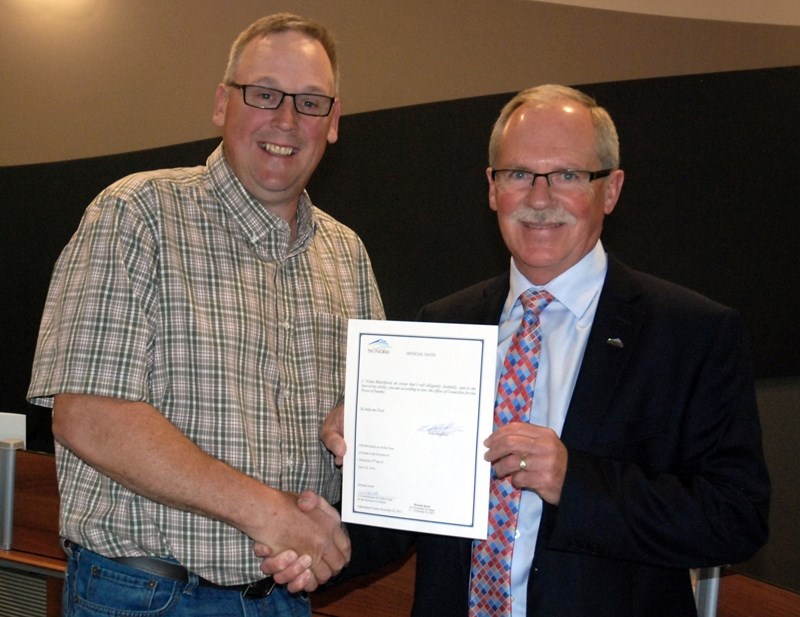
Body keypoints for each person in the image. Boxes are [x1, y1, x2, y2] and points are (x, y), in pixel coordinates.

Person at [262, 84, 771, 616]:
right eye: (519, 174)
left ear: (611, 189)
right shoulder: (443, 325)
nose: (540, 198)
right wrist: (329, 538)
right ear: (492, 187)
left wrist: (573, 480)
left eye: (569, 176)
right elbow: (413, 515)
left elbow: (735, 518)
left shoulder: (690, 334)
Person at [27, 13, 384, 617]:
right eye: (265, 93)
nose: (287, 119)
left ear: (334, 122)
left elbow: (372, 434)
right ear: (223, 103)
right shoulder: (136, 215)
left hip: (281, 599)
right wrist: (269, 512)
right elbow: (86, 416)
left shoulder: (346, 256)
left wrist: (365, 424)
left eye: (311, 102)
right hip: (148, 597)